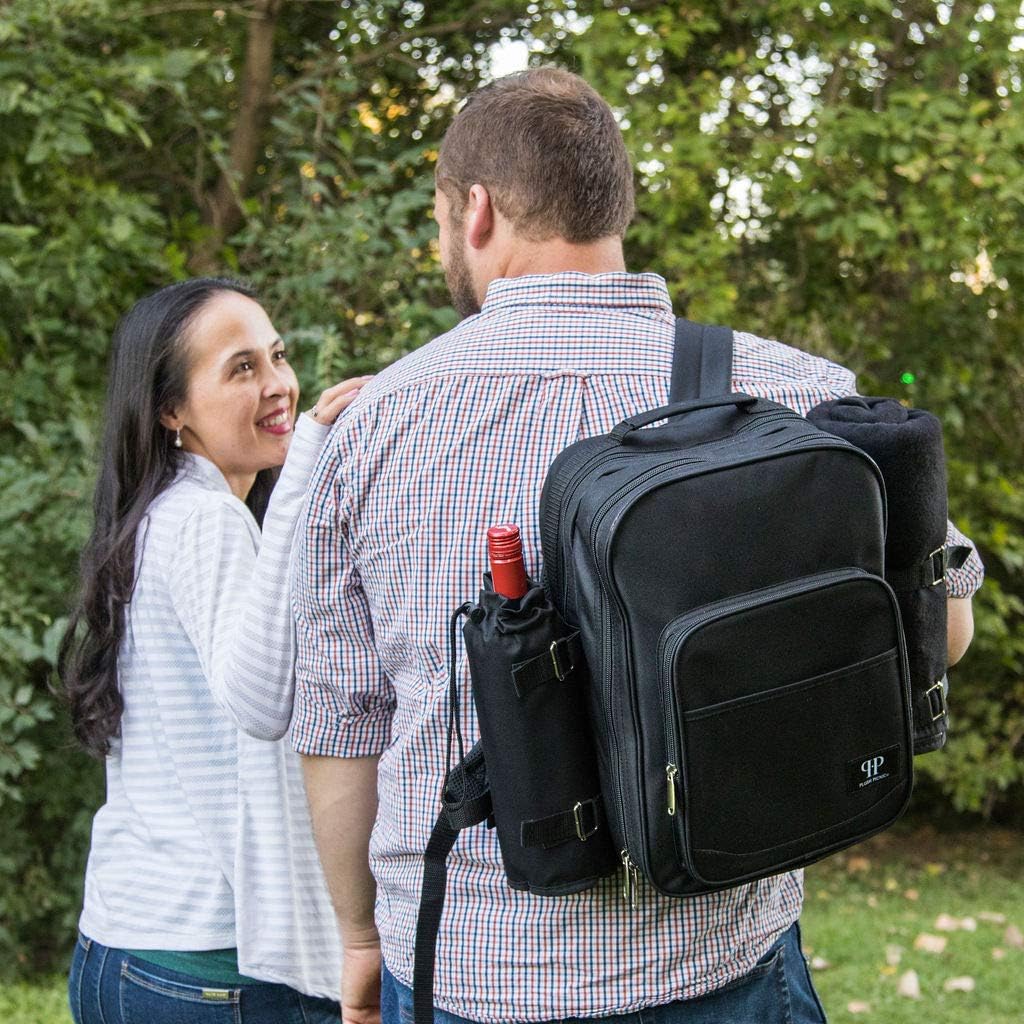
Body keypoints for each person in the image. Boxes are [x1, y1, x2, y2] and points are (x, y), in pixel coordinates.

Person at [291, 69, 984, 1024]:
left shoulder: (377, 426)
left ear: (476, 210)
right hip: (726, 959)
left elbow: (342, 730)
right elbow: (940, 635)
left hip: (470, 975)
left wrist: (362, 941)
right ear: (614, 203)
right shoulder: (798, 393)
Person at [59, 278, 370, 1024]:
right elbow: (261, 701)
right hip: (202, 971)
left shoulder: (159, 515)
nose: (280, 386)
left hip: (122, 949)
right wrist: (309, 466)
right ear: (171, 410)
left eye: (277, 356)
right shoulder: (205, 521)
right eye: (241, 368)